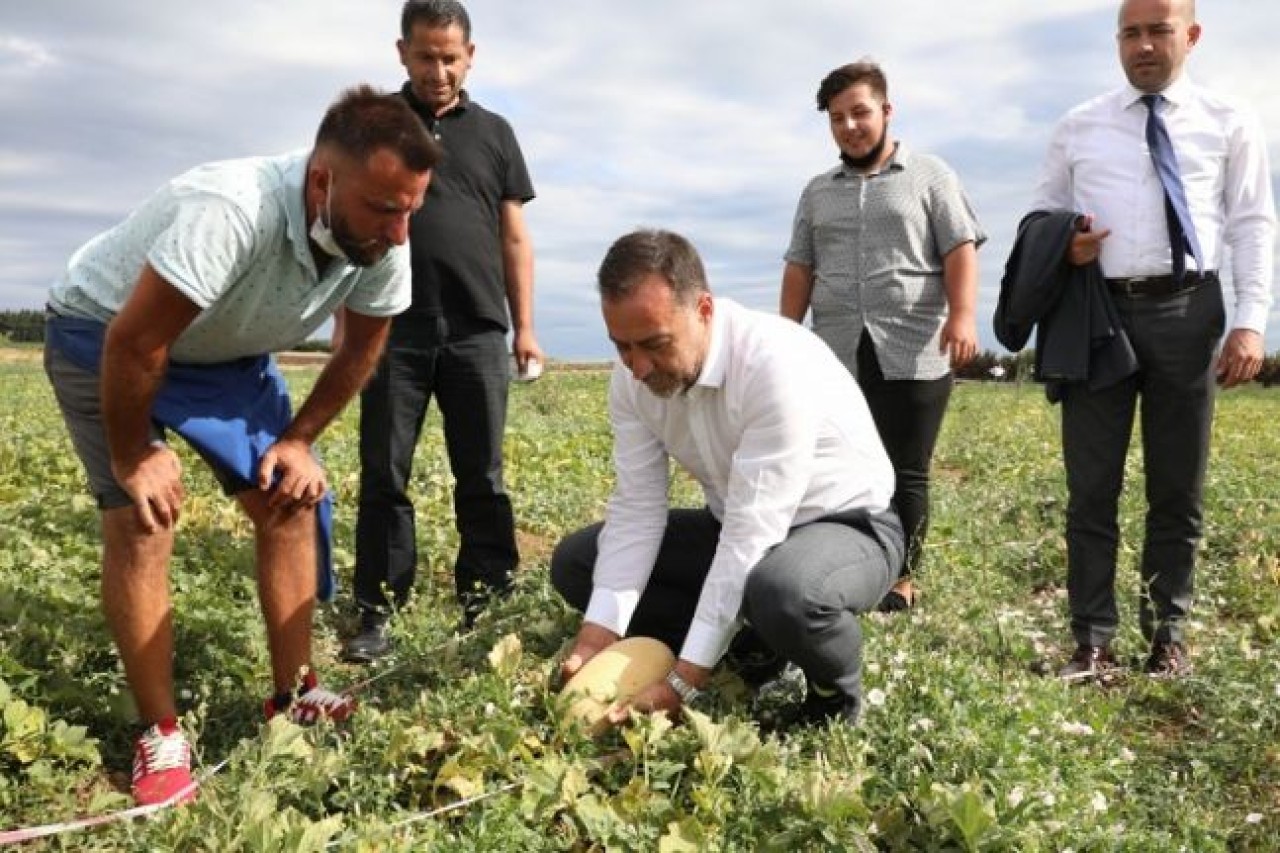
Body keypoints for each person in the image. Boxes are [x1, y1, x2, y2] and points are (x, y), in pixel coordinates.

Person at [43, 85, 441, 805]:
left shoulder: (386, 233)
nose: (401, 230)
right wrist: (134, 453)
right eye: (385, 209)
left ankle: (294, 694)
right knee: (143, 516)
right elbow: (137, 341)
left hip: (225, 352)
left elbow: (359, 348)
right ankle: (158, 730)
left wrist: (299, 439)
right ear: (322, 180)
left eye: (412, 208)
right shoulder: (230, 209)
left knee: (290, 496)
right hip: (102, 334)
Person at [552, 229, 904, 730]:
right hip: (737, 524)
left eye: (654, 344)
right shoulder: (632, 378)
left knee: (784, 590)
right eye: (623, 347)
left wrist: (685, 680)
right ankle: (751, 647)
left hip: (848, 527)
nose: (639, 367)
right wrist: (597, 633)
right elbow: (637, 507)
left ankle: (833, 699)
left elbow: (751, 536)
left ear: (704, 311)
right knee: (578, 563)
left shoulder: (772, 364)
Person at [1028, 0, 1275, 681]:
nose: (1143, 45)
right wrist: (1063, 245)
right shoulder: (1078, 126)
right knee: (1091, 487)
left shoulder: (1230, 122)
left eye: (1158, 31)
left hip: (1189, 310)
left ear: (1190, 36)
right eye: (1130, 33)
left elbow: (1253, 222)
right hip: (1098, 316)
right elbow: (1039, 217)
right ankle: (1093, 643)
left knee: (1177, 487)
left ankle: (1167, 636)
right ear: (1117, 40)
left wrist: (1250, 319)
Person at [343, 0, 541, 662]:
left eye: (450, 57)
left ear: (471, 56)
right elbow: (347, 225)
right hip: (391, 332)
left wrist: (525, 327)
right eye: (425, 56)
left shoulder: (495, 132)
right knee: (383, 472)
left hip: (478, 330)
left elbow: (513, 235)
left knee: (481, 473)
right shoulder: (372, 128)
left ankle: (487, 601)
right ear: (402, 52)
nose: (438, 70)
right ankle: (376, 610)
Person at [780, 60, 984, 613]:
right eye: (837, 117)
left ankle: (903, 578)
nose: (849, 126)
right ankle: (844, 564)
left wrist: (962, 316)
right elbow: (801, 264)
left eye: (860, 113)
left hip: (913, 346)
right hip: (837, 351)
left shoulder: (930, 176)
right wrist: (786, 334)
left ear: (886, 112)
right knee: (842, 463)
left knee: (906, 468)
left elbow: (959, 248)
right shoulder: (818, 191)